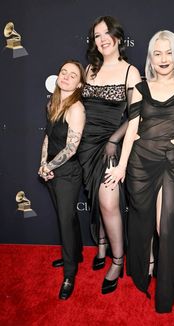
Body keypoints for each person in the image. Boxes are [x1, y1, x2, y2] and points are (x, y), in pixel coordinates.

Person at [106, 30, 174, 312]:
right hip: (139, 162)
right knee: (142, 219)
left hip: (171, 162)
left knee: (165, 227)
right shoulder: (140, 89)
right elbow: (132, 128)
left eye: (168, 52)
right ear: (150, 57)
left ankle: (166, 289)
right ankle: (145, 266)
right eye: (157, 53)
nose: (163, 58)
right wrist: (122, 166)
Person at [78, 16, 141, 294]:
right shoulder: (89, 70)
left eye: (107, 33)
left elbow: (136, 115)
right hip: (86, 145)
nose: (102, 39)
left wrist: (115, 139)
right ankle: (101, 246)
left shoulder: (130, 72)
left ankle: (117, 260)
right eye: (96, 35)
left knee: (108, 202)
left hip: (111, 145)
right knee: (94, 198)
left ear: (118, 37)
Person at [38, 59, 86, 300]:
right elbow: (48, 136)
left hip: (68, 173)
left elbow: (71, 148)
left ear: (79, 85)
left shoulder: (76, 108)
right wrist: (42, 164)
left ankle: (70, 273)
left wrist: (51, 166)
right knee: (67, 217)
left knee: (66, 222)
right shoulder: (52, 103)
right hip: (52, 171)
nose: (66, 77)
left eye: (73, 75)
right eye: (63, 72)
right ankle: (75, 254)